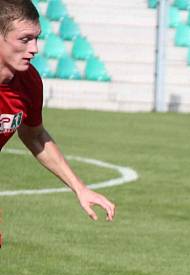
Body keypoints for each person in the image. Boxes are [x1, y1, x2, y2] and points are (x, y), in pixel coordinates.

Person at [0, 0, 115, 227]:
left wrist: (79, 187)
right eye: (24, 39)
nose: (34, 48)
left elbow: (34, 135)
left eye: (36, 38)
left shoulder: (29, 82)